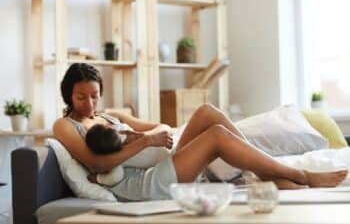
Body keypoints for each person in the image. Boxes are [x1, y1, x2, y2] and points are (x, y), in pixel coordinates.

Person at [53, 63, 348, 201]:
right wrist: (145, 142)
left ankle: (265, 174)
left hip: (159, 157)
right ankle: (300, 176)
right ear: (69, 96)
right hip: (143, 180)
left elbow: (160, 125)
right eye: (81, 97)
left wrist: (154, 137)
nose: (90, 103)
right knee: (216, 136)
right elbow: (101, 164)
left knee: (208, 113)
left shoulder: (111, 115)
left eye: (94, 95)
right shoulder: (65, 126)